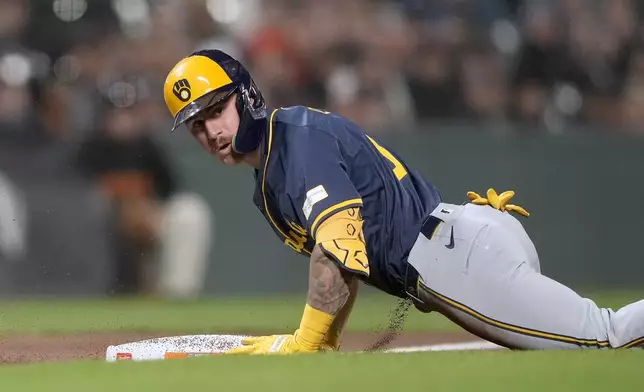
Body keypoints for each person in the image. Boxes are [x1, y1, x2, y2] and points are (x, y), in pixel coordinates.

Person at [162, 49, 644, 353]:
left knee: (605, 336)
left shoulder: (294, 144)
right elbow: (343, 261)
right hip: (464, 241)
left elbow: (339, 246)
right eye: (196, 125)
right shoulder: (274, 163)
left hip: (455, 260)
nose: (211, 132)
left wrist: (307, 342)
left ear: (245, 96)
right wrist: (325, 342)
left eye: (216, 110)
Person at [75, 91, 212, 299]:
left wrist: (150, 211)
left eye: (128, 113)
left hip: (149, 216)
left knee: (190, 212)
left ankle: (177, 295)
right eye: (116, 114)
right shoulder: (90, 148)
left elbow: (170, 191)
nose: (123, 120)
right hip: (103, 223)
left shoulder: (149, 148)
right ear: (104, 117)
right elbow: (74, 195)